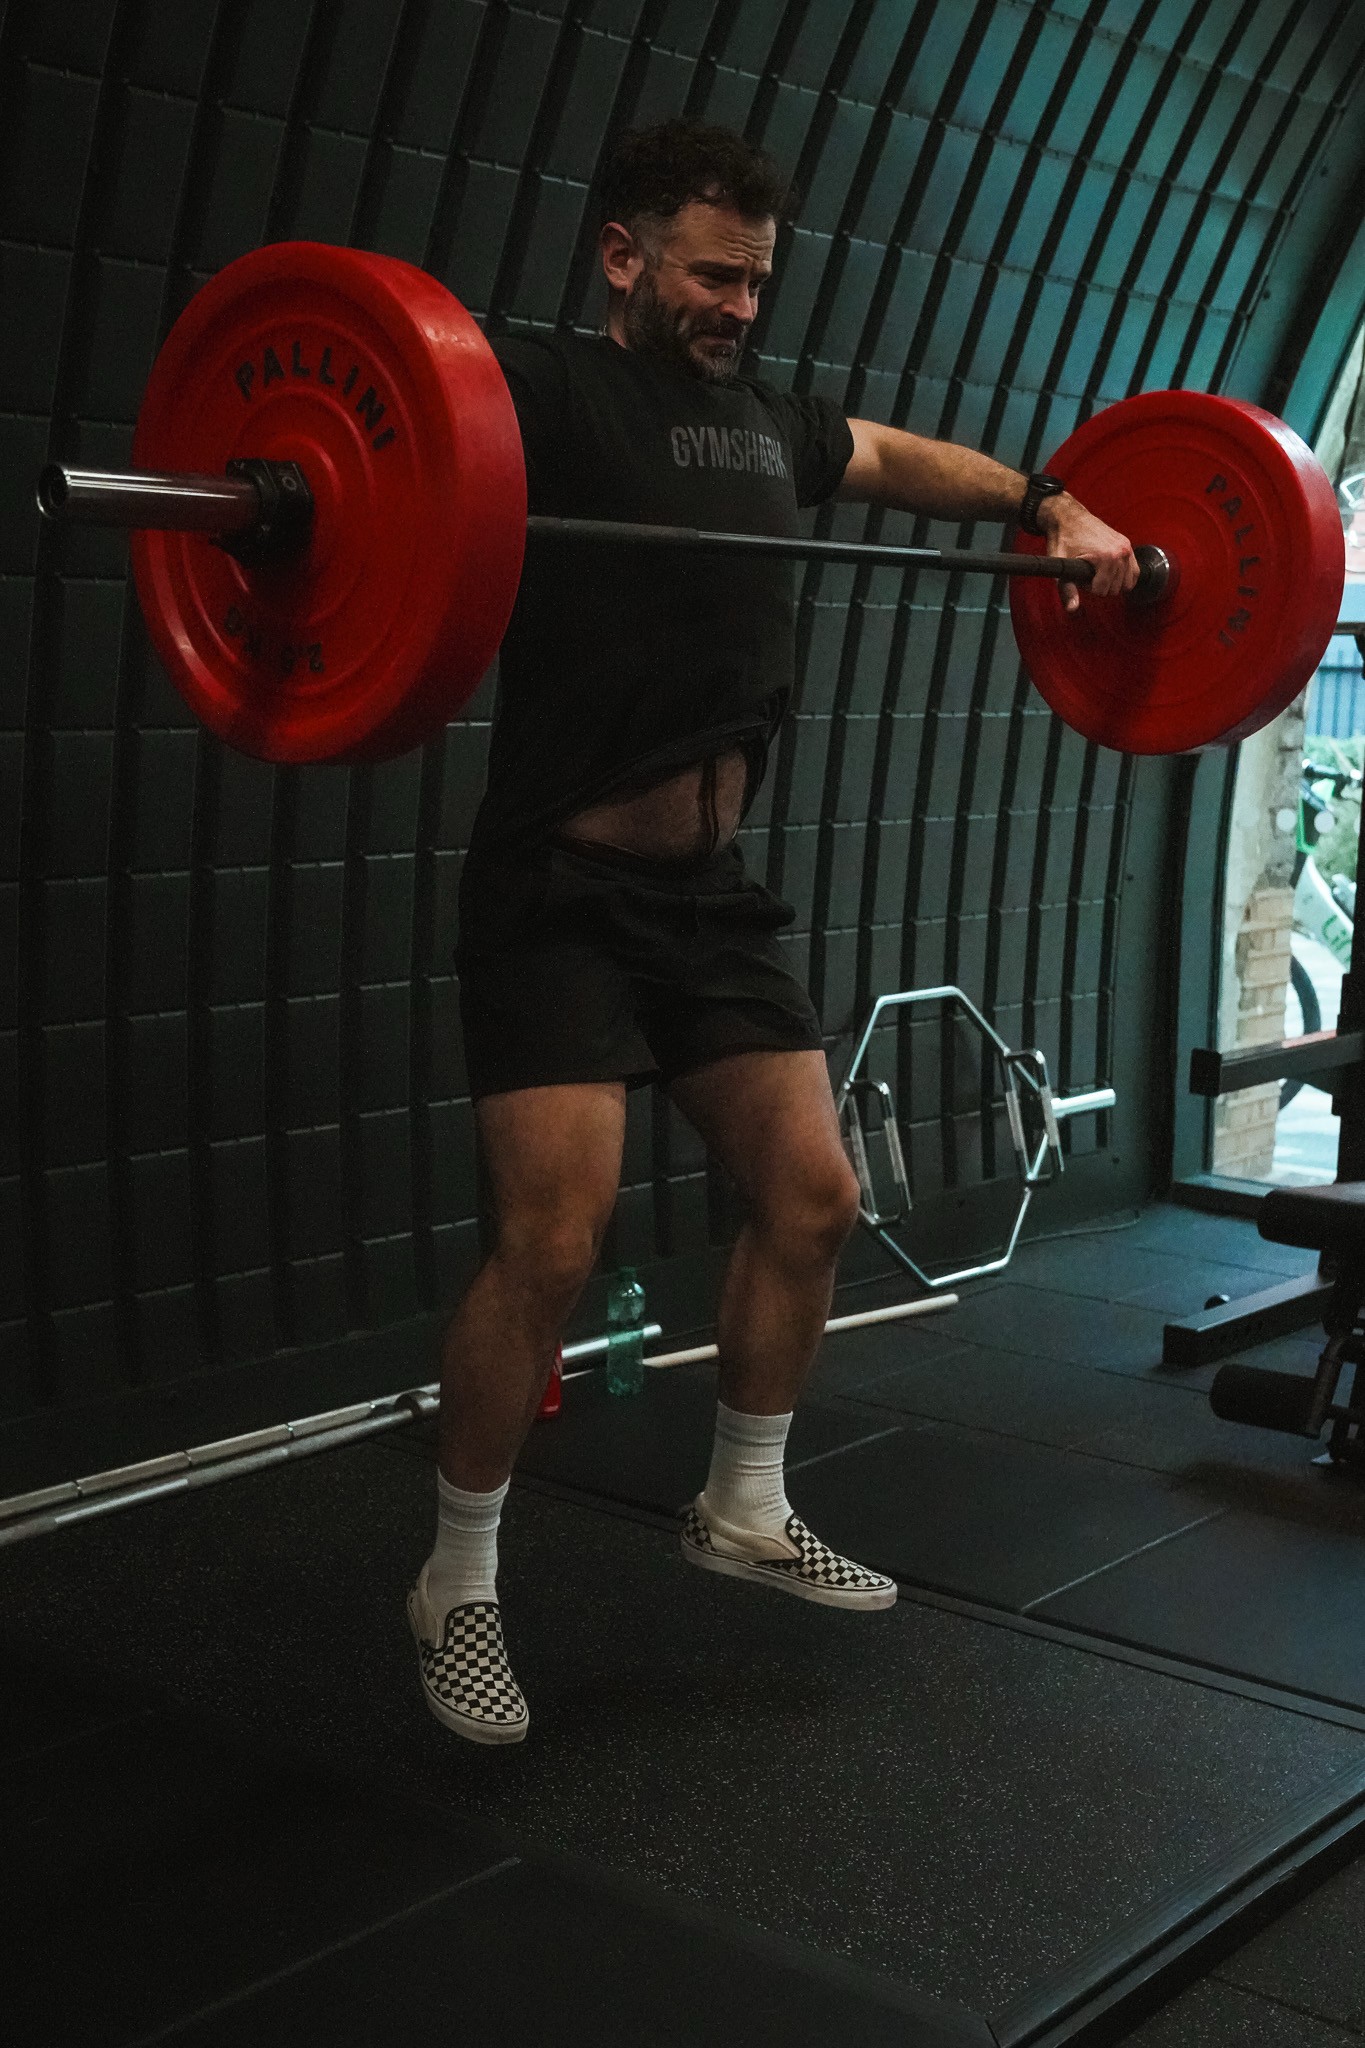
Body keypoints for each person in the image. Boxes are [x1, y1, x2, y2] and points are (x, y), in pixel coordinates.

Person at [407, 121, 1137, 1744]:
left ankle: (741, 1503)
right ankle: (457, 1580)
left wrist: (1052, 507)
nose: (740, 301)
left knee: (814, 1197)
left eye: (756, 276)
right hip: (560, 892)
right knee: (553, 1244)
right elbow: (393, 453)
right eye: (712, 271)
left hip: (706, 895)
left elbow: (896, 464)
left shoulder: (769, 420)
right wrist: (289, 508)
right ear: (622, 255)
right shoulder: (542, 392)